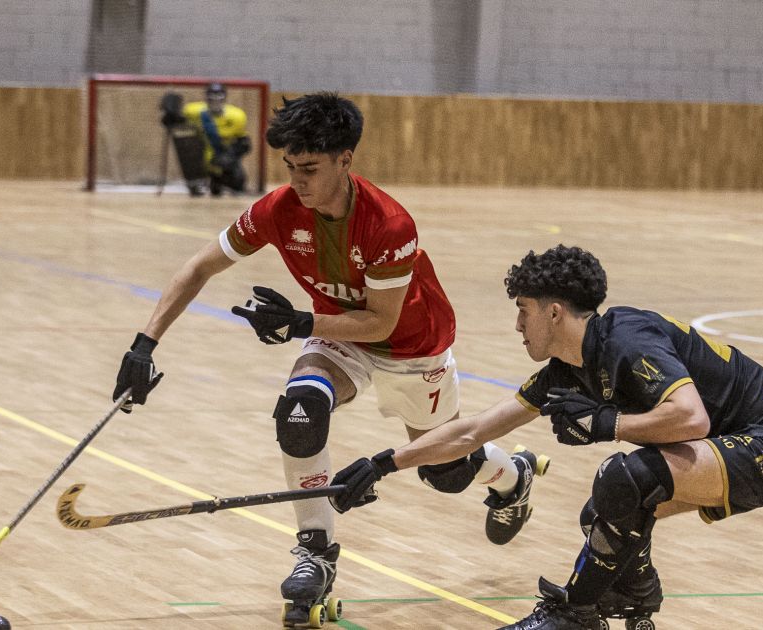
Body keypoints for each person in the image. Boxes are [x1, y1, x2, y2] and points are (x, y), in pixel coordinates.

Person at [113, 92, 545, 626]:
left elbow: (380, 323)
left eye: (311, 169)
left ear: (346, 159)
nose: (298, 183)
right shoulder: (278, 210)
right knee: (299, 411)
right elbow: (200, 266)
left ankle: (513, 475)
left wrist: (297, 322)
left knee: (448, 474)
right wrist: (144, 344)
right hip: (339, 337)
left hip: (412, 348)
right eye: (291, 168)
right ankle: (315, 550)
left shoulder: (390, 225)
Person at [330, 245, 763, 629]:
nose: (518, 325)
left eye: (524, 311)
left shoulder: (626, 340)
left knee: (622, 478)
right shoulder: (565, 371)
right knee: (603, 514)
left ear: (555, 312)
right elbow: (473, 431)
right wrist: (384, 462)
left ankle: (574, 614)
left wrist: (609, 424)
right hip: (733, 446)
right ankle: (635, 589)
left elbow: (691, 418)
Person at [180, 82, 251, 196]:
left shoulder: (237, 116)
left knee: (238, 182)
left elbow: (244, 143)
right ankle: (201, 181)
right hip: (202, 160)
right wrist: (171, 111)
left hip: (225, 159)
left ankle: (224, 179)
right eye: (212, 97)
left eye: (219, 96)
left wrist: (230, 156)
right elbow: (178, 115)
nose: (215, 100)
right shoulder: (195, 112)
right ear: (206, 98)